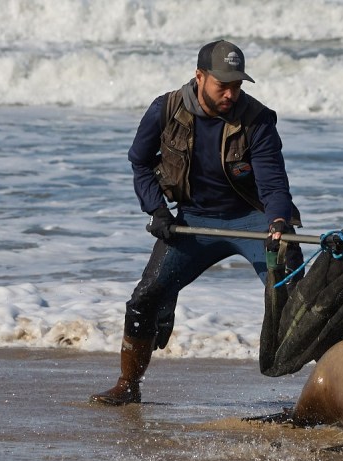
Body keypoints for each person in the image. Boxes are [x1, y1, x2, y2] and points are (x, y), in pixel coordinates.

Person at [90, 40, 301, 405]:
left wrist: (278, 221)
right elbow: (140, 163)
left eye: (237, 85)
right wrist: (157, 211)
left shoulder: (258, 119)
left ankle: (339, 394)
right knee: (144, 299)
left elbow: (273, 182)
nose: (231, 94)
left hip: (252, 219)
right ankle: (128, 385)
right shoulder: (166, 108)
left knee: (300, 301)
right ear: (200, 76)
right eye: (223, 85)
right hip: (192, 220)